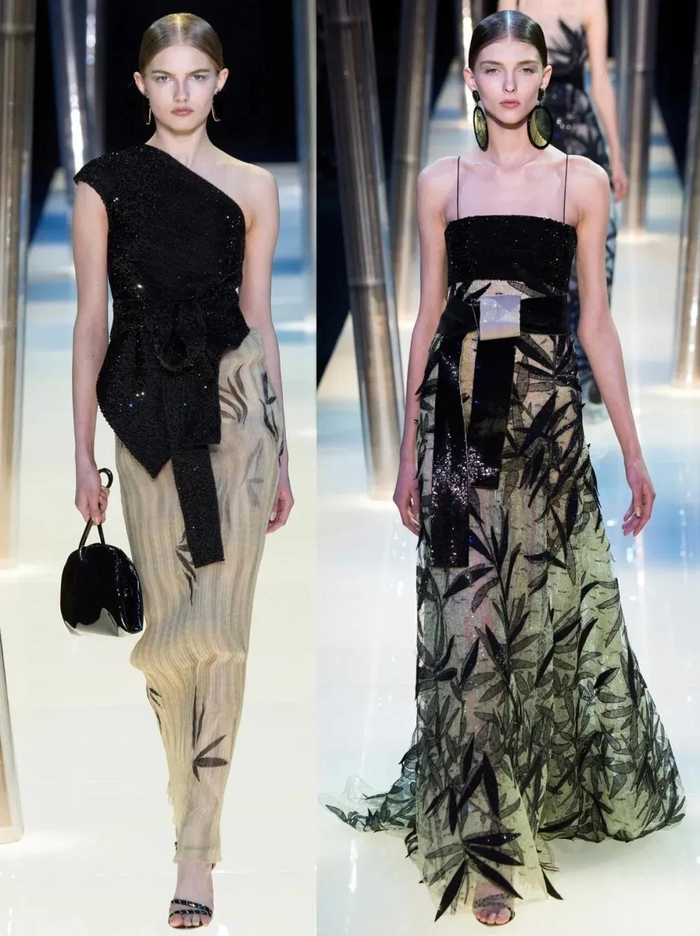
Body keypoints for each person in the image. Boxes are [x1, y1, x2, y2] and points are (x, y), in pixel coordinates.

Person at [320, 9, 684, 928]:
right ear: (473, 78)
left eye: (527, 68)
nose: (511, 83)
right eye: (495, 68)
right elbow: (427, 315)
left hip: (546, 425)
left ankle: (532, 788)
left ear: (547, 78)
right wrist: (408, 452)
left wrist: (632, 447)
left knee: (539, 617)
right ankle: (485, 843)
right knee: (467, 619)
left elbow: (595, 323)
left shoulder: (581, 181)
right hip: (456, 420)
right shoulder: (440, 183)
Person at [71, 12, 293, 929]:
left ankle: (196, 852)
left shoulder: (254, 186)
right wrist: (79, 454)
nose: (182, 93)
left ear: (221, 81)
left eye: (197, 76)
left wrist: (282, 448)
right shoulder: (104, 185)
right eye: (165, 77)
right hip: (143, 419)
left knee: (225, 632)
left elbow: (260, 316)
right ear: (141, 86)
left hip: (238, 415)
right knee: (170, 640)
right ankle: (186, 804)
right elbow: (92, 322)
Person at [498, 0, 627, 421]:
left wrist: (617, 156)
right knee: (519, 247)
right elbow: (497, 71)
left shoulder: (591, 3)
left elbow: (600, 81)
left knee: (592, 249)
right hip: (529, 128)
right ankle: (522, 369)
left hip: (573, 131)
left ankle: (583, 366)